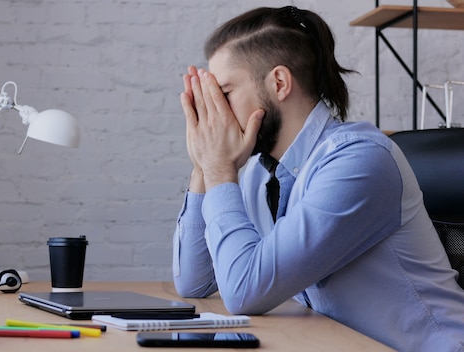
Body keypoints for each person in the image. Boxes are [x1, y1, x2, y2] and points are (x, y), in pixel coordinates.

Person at [172, 6, 464, 351]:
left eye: (224, 94)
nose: (215, 113)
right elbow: (194, 282)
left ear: (279, 83)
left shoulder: (359, 161)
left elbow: (243, 291)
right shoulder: (254, 174)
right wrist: (204, 165)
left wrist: (218, 167)